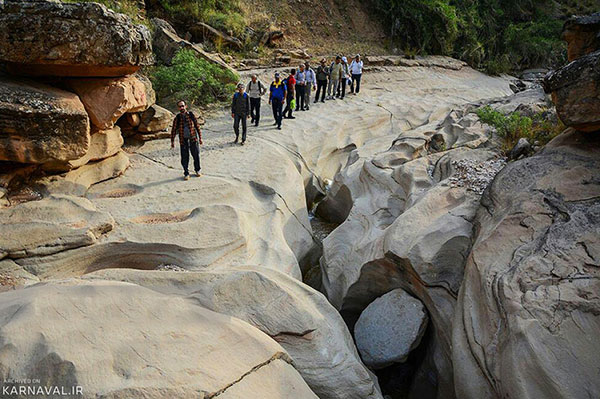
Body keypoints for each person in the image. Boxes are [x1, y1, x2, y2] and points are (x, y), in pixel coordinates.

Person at [170, 100, 203, 180]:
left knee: (196, 155)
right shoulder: (177, 118)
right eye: (180, 106)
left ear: (186, 106)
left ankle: (197, 170)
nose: (182, 108)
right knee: (184, 157)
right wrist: (172, 141)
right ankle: (186, 173)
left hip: (193, 138)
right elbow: (173, 130)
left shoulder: (191, 115)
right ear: (178, 108)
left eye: (183, 106)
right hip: (183, 140)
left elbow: (197, 126)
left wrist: (200, 138)